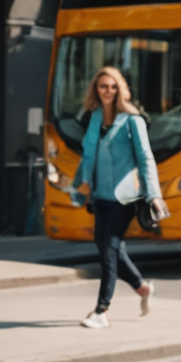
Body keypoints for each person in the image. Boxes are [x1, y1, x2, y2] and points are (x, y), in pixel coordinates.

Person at [70, 66, 163, 329]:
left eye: (113, 86)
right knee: (108, 248)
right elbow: (88, 156)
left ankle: (102, 310)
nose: (108, 91)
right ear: (96, 90)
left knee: (109, 248)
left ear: (120, 89)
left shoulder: (133, 121)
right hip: (99, 194)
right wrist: (79, 186)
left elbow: (146, 158)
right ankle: (141, 287)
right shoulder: (95, 118)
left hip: (125, 197)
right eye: (103, 86)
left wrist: (154, 194)